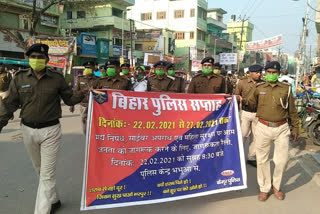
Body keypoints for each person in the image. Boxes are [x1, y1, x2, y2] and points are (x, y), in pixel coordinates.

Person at [0, 44, 85, 214]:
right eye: (33, 57)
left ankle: (42, 211)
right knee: (40, 170)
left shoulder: (56, 78)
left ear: (47, 59)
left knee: (46, 174)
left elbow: (69, 99)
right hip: (27, 130)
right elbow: (9, 104)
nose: (36, 60)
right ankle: (53, 200)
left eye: (40, 57)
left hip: (51, 130)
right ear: (29, 59)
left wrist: (82, 94)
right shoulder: (20, 78)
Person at [246, 61, 299, 201]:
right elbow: (248, 102)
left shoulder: (286, 89)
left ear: (279, 73)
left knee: (281, 160)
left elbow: (292, 110)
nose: (271, 74)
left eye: (273, 72)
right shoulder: (259, 87)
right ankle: (264, 188)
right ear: (265, 73)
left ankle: (276, 186)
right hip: (262, 127)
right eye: (268, 72)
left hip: (282, 128)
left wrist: (295, 127)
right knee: (262, 160)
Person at [235, 64, 264, 168]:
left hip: (258, 113)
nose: (259, 74)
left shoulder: (263, 84)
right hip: (245, 112)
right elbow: (236, 95)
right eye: (256, 72)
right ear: (250, 73)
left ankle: (251, 157)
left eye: (260, 72)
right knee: (243, 135)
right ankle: (237, 156)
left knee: (256, 137)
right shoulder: (242, 82)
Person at [70, 61, 99, 135]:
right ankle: (86, 138)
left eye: (89, 67)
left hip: (94, 106)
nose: (87, 69)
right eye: (86, 67)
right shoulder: (80, 79)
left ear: (93, 68)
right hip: (83, 105)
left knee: (94, 124)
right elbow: (75, 92)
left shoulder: (98, 80)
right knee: (84, 124)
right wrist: (72, 105)